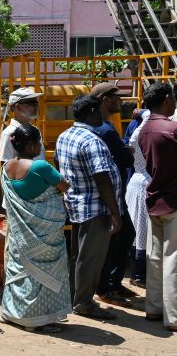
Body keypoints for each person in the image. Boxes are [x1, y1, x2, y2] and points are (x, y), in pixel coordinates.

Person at [55, 94, 121, 320]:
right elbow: (102, 178)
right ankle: (83, 303)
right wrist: (115, 212)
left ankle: (75, 297)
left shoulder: (65, 135)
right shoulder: (92, 141)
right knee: (89, 258)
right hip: (95, 208)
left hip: (75, 204)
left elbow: (58, 165)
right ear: (93, 112)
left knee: (79, 256)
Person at [0, 125, 71, 333]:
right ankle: (36, 320)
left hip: (21, 237)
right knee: (42, 274)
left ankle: (13, 313)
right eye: (39, 142)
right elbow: (64, 185)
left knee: (19, 270)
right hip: (44, 236)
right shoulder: (40, 167)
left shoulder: (6, 168)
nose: (41, 146)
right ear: (30, 145)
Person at [90, 82, 137, 306]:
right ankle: (107, 286)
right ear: (105, 100)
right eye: (116, 98)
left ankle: (113, 283)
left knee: (123, 235)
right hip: (111, 194)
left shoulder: (102, 127)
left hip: (113, 192)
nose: (120, 101)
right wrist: (127, 150)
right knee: (118, 237)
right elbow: (126, 159)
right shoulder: (106, 130)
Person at [136, 82, 177, 331]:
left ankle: (153, 308)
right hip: (173, 199)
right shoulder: (171, 129)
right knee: (173, 258)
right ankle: (173, 316)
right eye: (172, 98)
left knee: (155, 257)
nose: (174, 102)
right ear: (165, 99)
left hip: (154, 197)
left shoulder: (144, 130)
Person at [126, 109, 150, 288]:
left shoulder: (137, 124)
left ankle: (138, 273)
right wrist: (145, 112)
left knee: (139, 230)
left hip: (139, 182)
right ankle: (138, 274)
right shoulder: (144, 126)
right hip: (143, 184)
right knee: (141, 231)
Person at [0, 88, 45, 164]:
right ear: (15, 107)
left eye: (36, 102)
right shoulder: (9, 133)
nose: (35, 106)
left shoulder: (35, 130)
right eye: (30, 102)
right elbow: (6, 166)